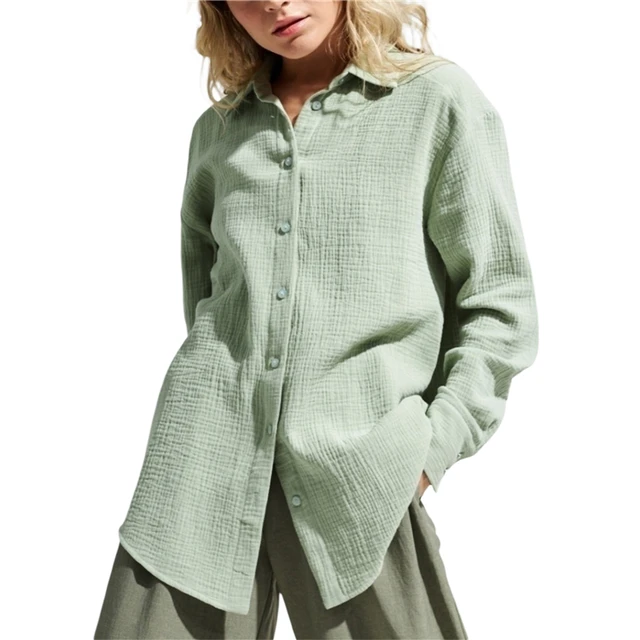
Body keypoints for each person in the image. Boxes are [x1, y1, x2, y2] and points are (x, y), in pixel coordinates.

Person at [94, 0, 539, 638]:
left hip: (362, 470)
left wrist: (429, 448)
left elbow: (500, 302)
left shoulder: (436, 101)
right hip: (202, 463)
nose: (274, 2)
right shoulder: (218, 131)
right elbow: (207, 299)